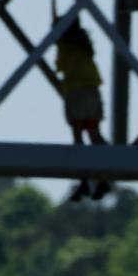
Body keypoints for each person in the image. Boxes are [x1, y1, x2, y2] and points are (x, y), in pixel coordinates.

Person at [56, 22, 110, 202]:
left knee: (78, 138)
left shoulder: (65, 46)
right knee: (95, 135)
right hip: (91, 93)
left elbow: (60, 66)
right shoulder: (85, 46)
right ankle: (102, 178)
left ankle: (84, 180)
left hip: (76, 94)